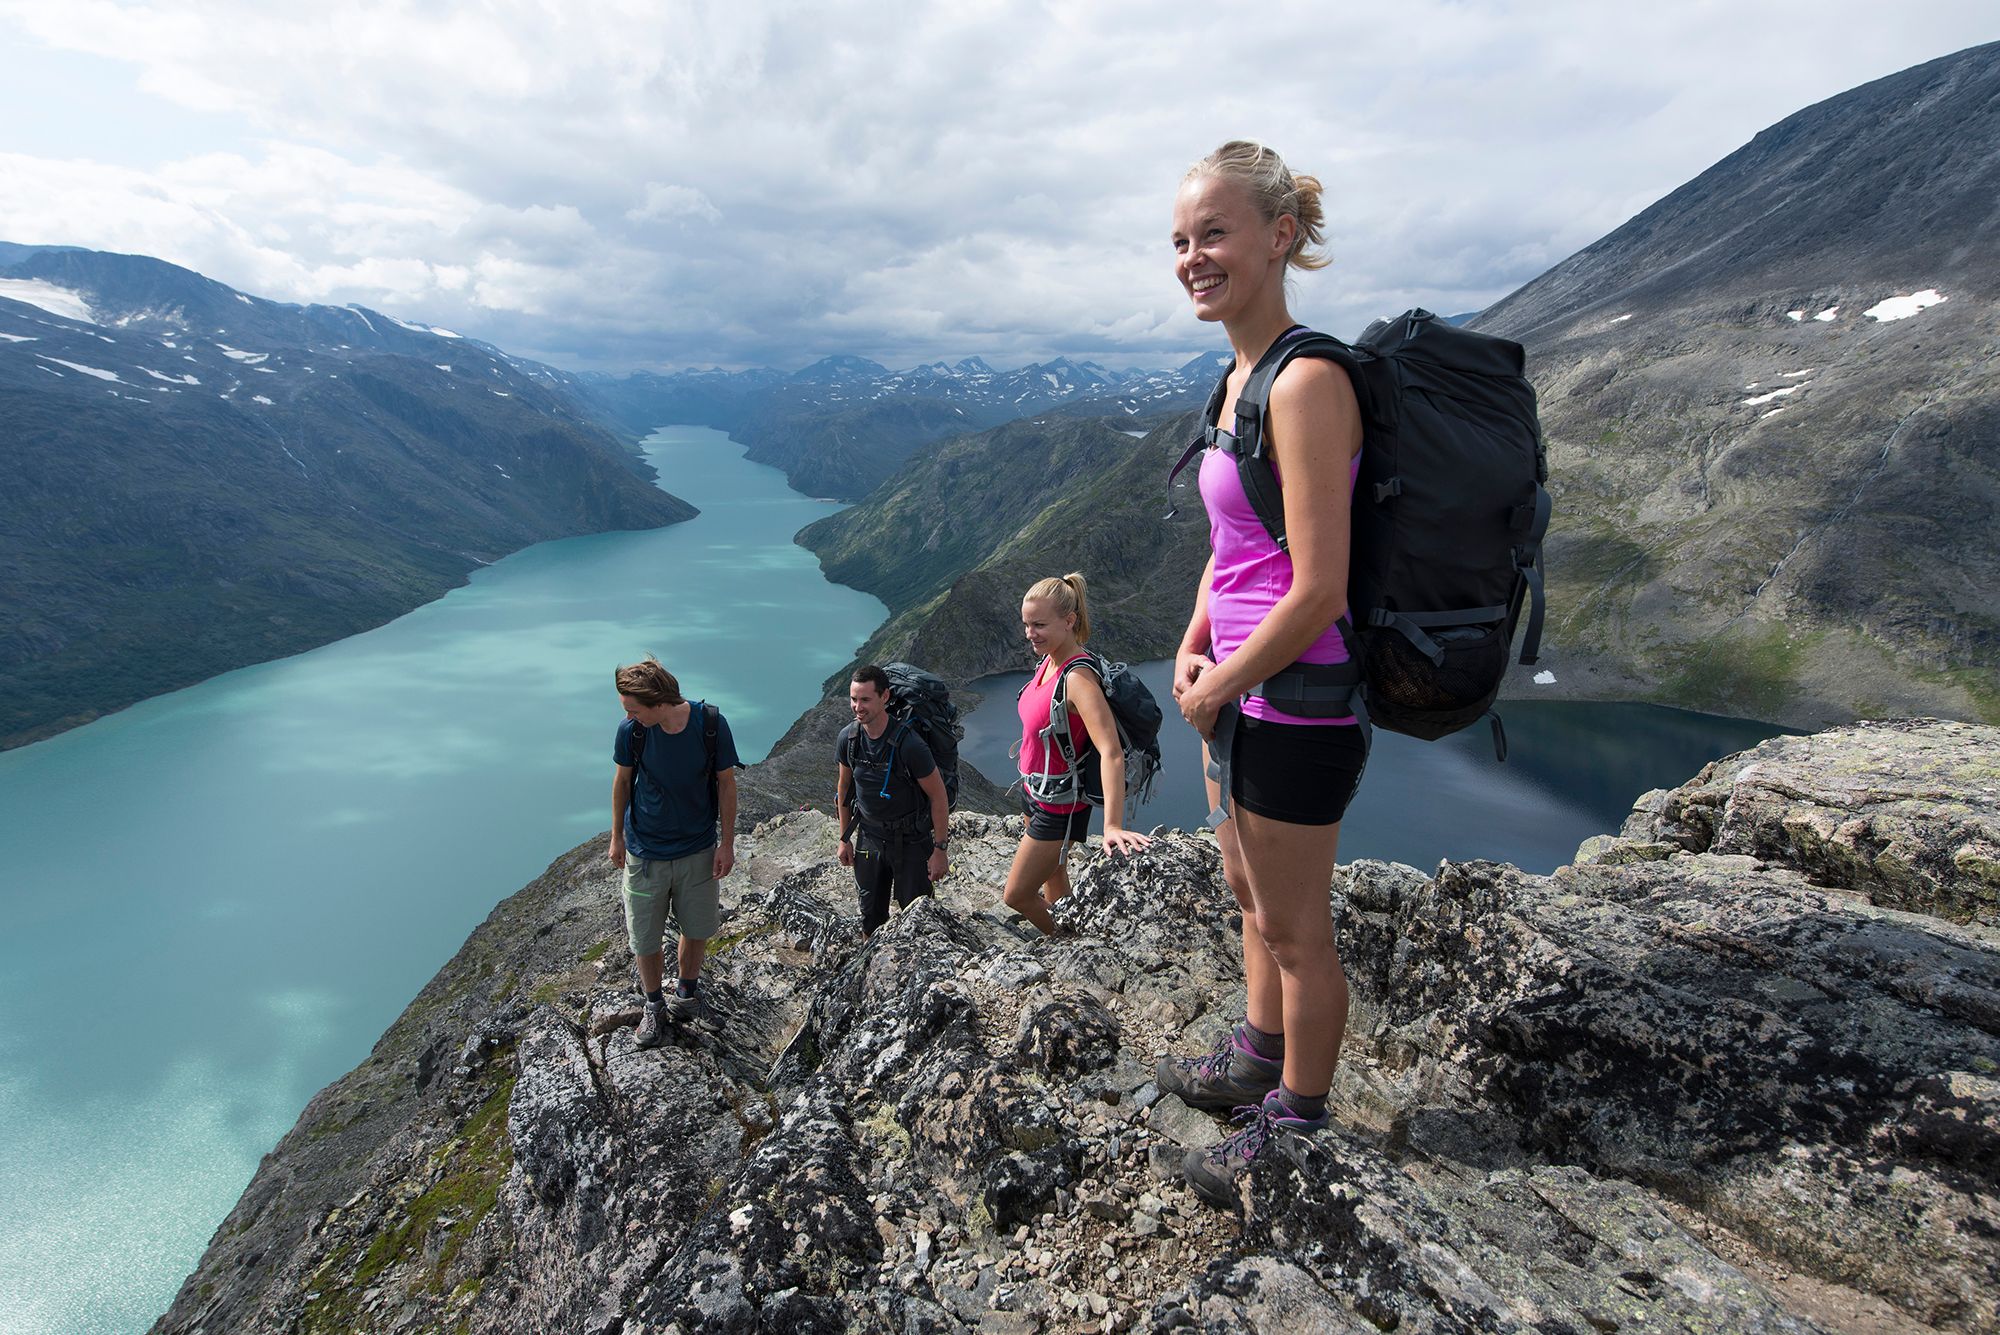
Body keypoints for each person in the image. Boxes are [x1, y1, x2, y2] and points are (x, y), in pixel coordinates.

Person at [1155, 141, 1369, 1209]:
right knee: (1245, 893)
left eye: (1214, 233)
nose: (1194, 257)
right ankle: (1254, 1057)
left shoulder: (1307, 381)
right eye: (1182, 240)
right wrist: (1195, 643)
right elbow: (1234, 550)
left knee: (1296, 928)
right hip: (1237, 687)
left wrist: (1215, 681)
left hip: (1296, 699)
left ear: (1279, 236)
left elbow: (1318, 587)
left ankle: (1297, 1118)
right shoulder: (1235, 379)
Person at [1002, 573, 1151, 935]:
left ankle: (1065, 941)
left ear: (1069, 622)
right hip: (1034, 791)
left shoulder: (1078, 678)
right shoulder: (1048, 661)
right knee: (1055, 874)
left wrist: (1112, 826)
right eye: (1026, 624)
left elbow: (1111, 751)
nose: (1029, 633)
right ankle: (1068, 932)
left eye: (1039, 624)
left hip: (1059, 805)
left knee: (1017, 895)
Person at [610, 657, 742, 1047]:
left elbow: (727, 785)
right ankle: (654, 1006)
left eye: (634, 708)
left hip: (697, 847)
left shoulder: (711, 724)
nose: (629, 716)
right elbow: (621, 782)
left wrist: (728, 843)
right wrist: (616, 836)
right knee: (645, 935)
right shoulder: (632, 732)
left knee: (696, 927)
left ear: (656, 702)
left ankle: (686, 996)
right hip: (645, 850)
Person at [836, 664, 951, 936]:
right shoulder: (849, 738)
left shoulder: (910, 745)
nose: (857, 707)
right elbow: (843, 790)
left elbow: (938, 796)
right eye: (853, 699)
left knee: (918, 918)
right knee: (870, 917)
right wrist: (844, 838)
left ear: (885, 697)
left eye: (865, 699)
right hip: (870, 837)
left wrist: (940, 850)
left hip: (911, 841)